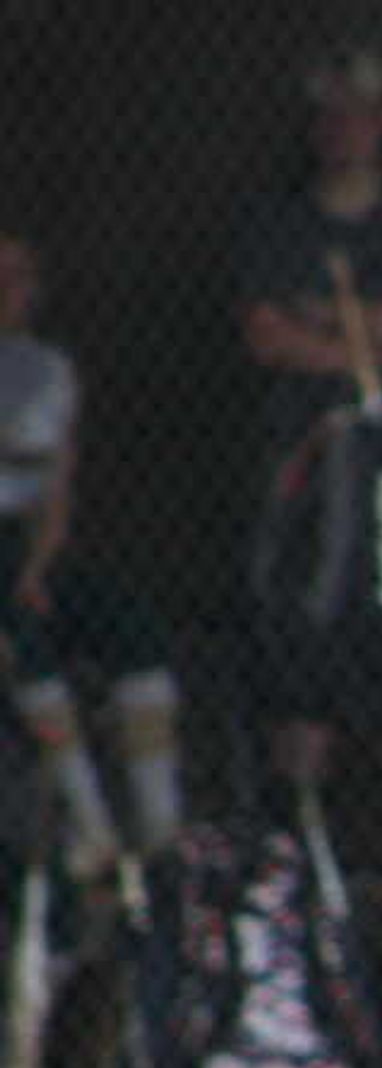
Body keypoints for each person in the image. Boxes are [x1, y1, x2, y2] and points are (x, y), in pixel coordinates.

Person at [234, 39, 382, 790]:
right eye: (329, 115)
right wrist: (367, 344)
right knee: (306, 622)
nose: (343, 128)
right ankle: (300, 823)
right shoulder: (278, 221)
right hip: (311, 454)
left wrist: (338, 319)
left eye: (359, 113)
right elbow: (268, 335)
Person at [0, 230, 185, 874]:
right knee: (25, 647)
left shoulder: (48, 369)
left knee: (134, 632)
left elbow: (55, 480)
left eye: (18, 276)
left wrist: (40, 562)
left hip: (25, 544)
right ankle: (91, 828)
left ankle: (161, 828)